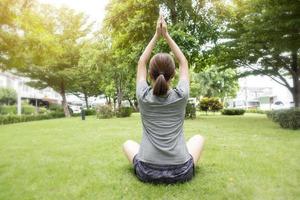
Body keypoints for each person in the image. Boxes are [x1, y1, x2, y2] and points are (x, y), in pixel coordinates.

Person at [122, 15, 205, 184]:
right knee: (198, 139)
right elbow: (183, 61)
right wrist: (166, 35)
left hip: (147, 171)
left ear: (150, 74)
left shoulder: (143, 96)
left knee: (128, 144)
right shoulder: (181, 95)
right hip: (181, 172)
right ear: (172, 74)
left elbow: (141, 62)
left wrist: (156, 35)